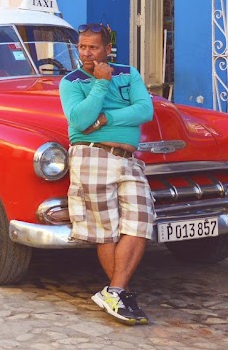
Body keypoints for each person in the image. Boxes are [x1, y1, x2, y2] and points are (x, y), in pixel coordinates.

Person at [59, 23, 155, 326]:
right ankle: (118, 293)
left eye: (93, 47)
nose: (86, 53)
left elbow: (145, 110)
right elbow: (79, 119)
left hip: (127, 158)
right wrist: (100, 84)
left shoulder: (128, 73)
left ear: (107, 49)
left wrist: (106, 117)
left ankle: (113, 291)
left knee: (141, 222)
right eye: (82, 47)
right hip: (91, 155)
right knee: (106, 230)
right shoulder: (71, 81)